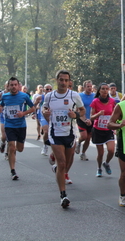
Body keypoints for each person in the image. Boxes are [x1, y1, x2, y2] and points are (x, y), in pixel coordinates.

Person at [42, 70, 85, 208]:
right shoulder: (49, 96)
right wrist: (45, 113)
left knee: (66, 162)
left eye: (66, 80)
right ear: (57, 80)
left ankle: (59, 171)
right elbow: (44, 109)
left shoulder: (74, 95)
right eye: (61, 80)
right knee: (61, 163)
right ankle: (63, 195)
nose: (63, 83)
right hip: (55, 134)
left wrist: (76, 115)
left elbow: (82, 110)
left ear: (69, 82)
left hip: (70, 133)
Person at [0, 77, 35, 180]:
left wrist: (23, 113)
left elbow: (33, 108)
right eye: (11, 85)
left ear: (18, 86)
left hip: (21, 125)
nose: (13, 87)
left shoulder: (24, 96)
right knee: (12, 147)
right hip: (9, 125)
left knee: (20, 149)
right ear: (8, 86)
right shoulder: (4, 97)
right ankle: (13, 170)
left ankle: (11, 149)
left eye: (15, 85)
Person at [90, 83, 116, 177]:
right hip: (98, 130)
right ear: (99, 91)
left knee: (111, 150)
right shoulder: (95, 101)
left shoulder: (112, 101)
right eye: (103, 89)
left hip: (108, 129)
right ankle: (99, 168)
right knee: (100, 153)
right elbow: (91, 117)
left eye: (106, 89)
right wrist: (98, 114)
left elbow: (115, 115)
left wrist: (115, 125)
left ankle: (106, 163)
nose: (105, 90)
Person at [75, 80, 94, 161]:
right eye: (88, 87)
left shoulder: (95, 95)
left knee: (88, 138)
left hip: (91, 119)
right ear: (84, 87)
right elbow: (77, 109)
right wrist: (84, 119)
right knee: (84, 136)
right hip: (81, 118)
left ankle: (83, 153)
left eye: (91, 86)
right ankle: (78, 143)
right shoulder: (79, 95)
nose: (90, 88)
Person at [0, 81, 9, 157]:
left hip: (12, 119)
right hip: (3, 117)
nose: (9, 87)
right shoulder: (1, 94)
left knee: (10, 137)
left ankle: (7, 153)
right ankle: (3, 143)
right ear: (5, 86)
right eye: (7, 85)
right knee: (4, 136)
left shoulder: (15, 94)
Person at [39, 84, 53, 156]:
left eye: (50, 89)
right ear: (44, 90)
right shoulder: (41, 97)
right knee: (46, 131)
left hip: (52, 116)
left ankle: (54, 149)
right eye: (47, 89)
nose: (49, 91)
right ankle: (45, 146)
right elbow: (34, 105)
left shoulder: (54, 97)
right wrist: (34, 114)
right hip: (43, 116)